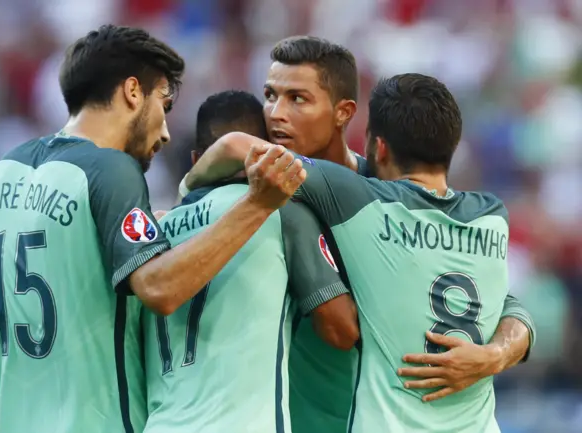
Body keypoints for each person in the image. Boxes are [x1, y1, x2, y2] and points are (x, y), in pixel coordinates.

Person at [178, 37, 535, 433]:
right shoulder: (259, 192)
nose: (276, 114)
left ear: (343, 112)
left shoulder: (370, 195)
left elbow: (505, 302)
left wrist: (495, 355)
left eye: (298, 98)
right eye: (270, 95)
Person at [0, 25, 305, 433]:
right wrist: (257, 205)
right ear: (133, 92)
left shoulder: (6, 170)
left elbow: (18, 284)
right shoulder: (111, 168)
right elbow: (158, 288)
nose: (166, 132)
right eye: (164, 105)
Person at [141, 89, 358, 433]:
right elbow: (340, 328)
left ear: (200, 157)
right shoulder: (279, 211)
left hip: (161, 423)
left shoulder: (155, 229)